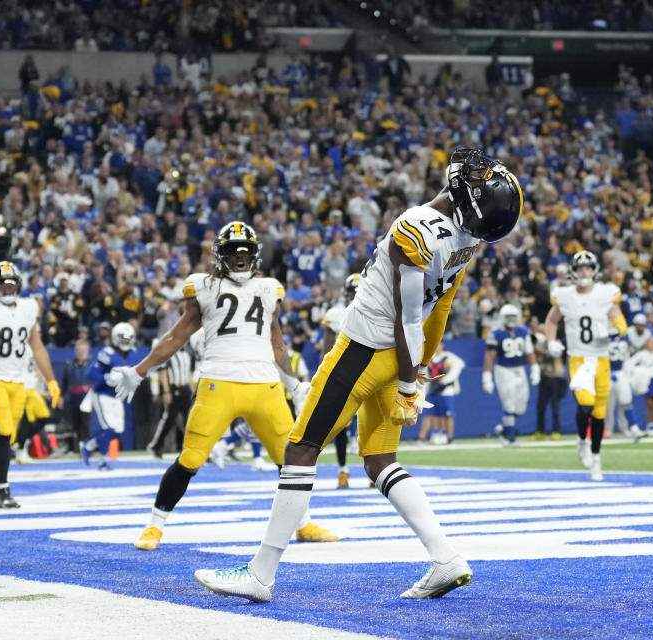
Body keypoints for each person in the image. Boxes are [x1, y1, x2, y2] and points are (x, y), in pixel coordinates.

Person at [191, 148, 522, 602]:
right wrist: (419, 366)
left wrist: (409, 383)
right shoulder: (467, 238)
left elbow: (409, 316)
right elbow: (439, 309)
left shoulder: (415, 229)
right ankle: (446, 559)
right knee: (379, 460)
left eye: (477, 182)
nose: (471, 176)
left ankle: (261, 573)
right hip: (399, 355)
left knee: (301, 447)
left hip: (366, 349)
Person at [107, 221, 338, 551]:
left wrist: (293, 384)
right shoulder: (204, 287)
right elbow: (176, 336)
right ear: (220, 255)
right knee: (190, 459)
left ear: (255, 255)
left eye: (245, 251)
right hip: (219, 382)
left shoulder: (269, 289)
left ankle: (302, 525)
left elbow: (277, 343)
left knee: (293, 463)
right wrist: (141, 370)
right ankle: (154, 526)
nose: (240, 257)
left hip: (266, 386)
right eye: (233, 250)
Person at [0, 261, 59, 508]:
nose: (7, 290)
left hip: (18, 380)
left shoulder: (28, 307)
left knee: (10, 435)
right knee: (4, 431)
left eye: (11, 285)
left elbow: (37, 346)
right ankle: (1, 490)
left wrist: (51, 380)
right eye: (3, 285)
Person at [543, 250, 628, 481]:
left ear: (595, 270)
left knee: (599, 413)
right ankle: (582, 440)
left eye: (588, 268)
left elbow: (619, 320)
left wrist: (615, 329)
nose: (584, 272)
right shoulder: (564, 295)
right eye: (580, 268)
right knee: (586, 403)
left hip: (601, 358)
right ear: (573, 271)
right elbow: (551, 320)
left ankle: (596, 459)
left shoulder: (605, 293)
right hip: (579, 358)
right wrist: (550, 342)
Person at [319, 272, 361, 487]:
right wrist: (323, 374)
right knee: (341, 425)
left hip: (368, 372)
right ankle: (343, 470)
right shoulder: (336, 313)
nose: (356, 295)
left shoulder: (379, 309)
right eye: (352, 291)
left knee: (369, 422)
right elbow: (326, 349)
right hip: (343, 373)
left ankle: (374, 473)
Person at [81, 322, 137, 470]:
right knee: (110, 429)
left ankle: (91, 447)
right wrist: (107, 377)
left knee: (117, 430)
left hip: (116, 396)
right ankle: (100, 459)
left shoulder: (129, 354)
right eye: (123, 339)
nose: (125, 343)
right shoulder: (107, 353)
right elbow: (90, 373)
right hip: (102, 394)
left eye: (127, 339)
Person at [482, 304, 540, 445]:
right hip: (504, 370)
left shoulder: (523, 331)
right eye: (508, 317)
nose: (511, 320)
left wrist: (535, 369)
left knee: (521, 407)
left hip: (520, 369)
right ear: (502, 318)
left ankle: (504, 428)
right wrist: (487, 377)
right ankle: (509, 437)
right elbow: (490, 356)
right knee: (509, 404)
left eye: (513, 317)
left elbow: (529, 352)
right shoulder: (495, 333)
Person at [145, 326, 194, 459]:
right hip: (173, 388)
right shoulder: (170, 352)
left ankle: (187, 447)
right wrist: (166, 391)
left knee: (190, 420)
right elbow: (164, 372)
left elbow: (188, 372)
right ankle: (155, 446)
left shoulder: (186, 354)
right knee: (169, 420)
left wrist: (192, 389)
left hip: (184, 389)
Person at [417, 339, 465, 445]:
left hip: (446, 390)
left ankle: (448, 437)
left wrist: (445, 380)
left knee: (447, 414)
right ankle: (433, 434)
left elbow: (459, 365)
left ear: (443, 345)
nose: (437, 347)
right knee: (431, 413)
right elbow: (425, 373)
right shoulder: (430, 357)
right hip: (432, 389)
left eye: (439, 344)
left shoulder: (449, 357)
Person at [606, 334, 642, 441]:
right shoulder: (602, 334)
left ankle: (632, 428)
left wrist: (629, 377)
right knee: (607, 404)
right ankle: (606, 429)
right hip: (605, 373)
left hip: (621, 373)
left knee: (626, 400)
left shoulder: (624, 337)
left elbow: (627, 359)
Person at [60, 340, 92, 453]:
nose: (81, 352)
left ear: (88, 351)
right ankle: (78, 446)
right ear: (75, 351)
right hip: (74, 398)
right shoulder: (70, 365)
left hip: (88, 398)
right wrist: (61, 397)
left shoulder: (93, 364)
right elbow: (64, 382)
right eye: (79, 350)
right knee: (75, 423)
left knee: (86, 423)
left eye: (83, 350)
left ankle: (87, 447)